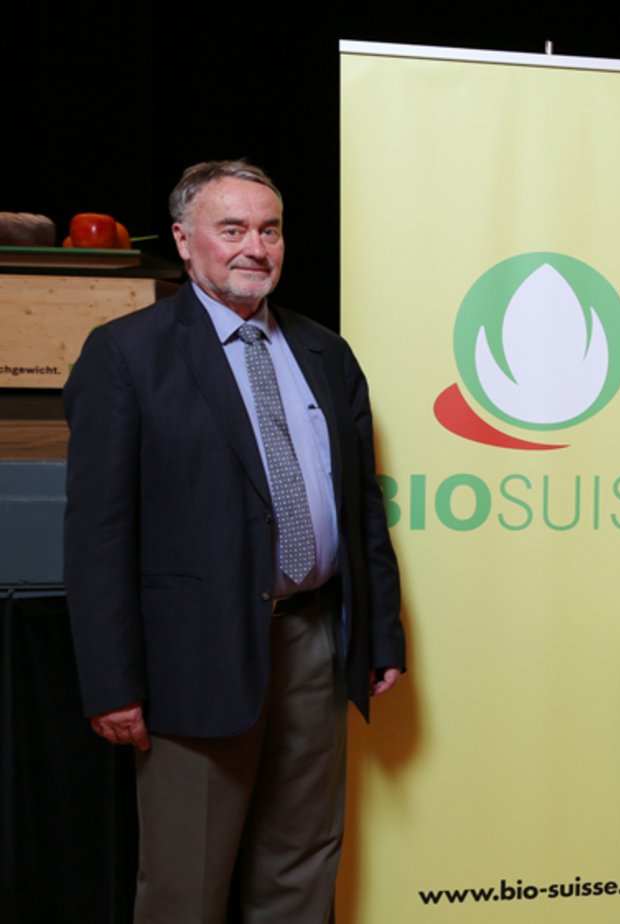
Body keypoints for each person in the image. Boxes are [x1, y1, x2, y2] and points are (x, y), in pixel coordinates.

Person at [63, 159, 406, 923]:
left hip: (315, 643)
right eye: (233, 228)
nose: (256, 246)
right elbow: (97, 536)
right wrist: (113, 681)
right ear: (186, 242)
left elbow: (361, 510)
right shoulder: (126, 356)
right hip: (192, 657)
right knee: (187, 884)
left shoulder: (326, 352)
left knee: (303, 864)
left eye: (270, 229)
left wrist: (379, 633)